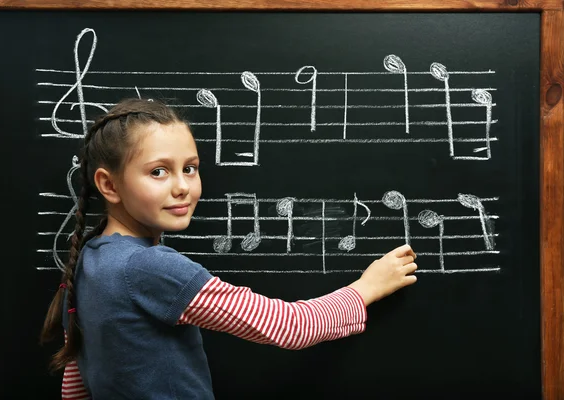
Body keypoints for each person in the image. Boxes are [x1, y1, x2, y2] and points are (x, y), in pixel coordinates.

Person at [41, 98, 418, 399]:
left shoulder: (89, 256)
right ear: (109, 185)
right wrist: (366, 288)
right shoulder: (149, 268)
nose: (182, 187)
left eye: (190, 168)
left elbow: (77, 376)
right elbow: (289, 327)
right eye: (158, 171)